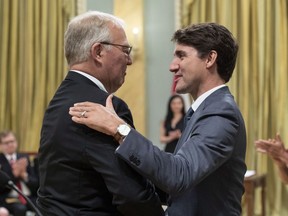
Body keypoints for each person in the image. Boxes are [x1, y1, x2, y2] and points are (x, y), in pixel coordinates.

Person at [69, 22, 247, 216]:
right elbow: (175, 186)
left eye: (181, 56)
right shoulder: (204, 110)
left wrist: (119, 128)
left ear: (210, 59)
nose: (172, 66)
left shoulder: (221, 112)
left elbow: (178, 175)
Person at [37, 11, 164, 216]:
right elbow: (131, 194)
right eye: (125, 49)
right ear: (98, 51)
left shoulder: (58, 101)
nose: (129, 60)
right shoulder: (104, 107)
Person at [0, 130, 39, 216]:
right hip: (9, 199)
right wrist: (14, 175)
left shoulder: (24, 158)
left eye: (12, 141)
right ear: (1, 145)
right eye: (6, 143)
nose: (10, 144)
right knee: (20, 208)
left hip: (28, 197)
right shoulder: (1, 160)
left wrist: (24, 175)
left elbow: (36, 183)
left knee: (44, 205)